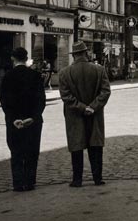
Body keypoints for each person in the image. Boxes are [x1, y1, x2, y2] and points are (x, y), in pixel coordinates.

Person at [58, 41, 111, 187]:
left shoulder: (64, 73)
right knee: (95, 147)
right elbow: (105, 91)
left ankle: (77, 179)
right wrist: (93, 107)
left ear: (74, 55)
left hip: (75, 116)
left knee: (77, 147)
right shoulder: (99, 70)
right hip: (95, 115)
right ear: (86, 53)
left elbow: (66, 96)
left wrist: (81, 107)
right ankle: (97, 178)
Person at [0, 47, 46, 192]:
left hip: (14, 122)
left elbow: (4, 100)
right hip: (33, 121)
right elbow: (41, 100)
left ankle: (18, 183)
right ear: (26, 59)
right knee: (32, 151)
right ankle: (30, 182)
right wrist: (33, 117)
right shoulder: (35, 76)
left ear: (13, 59)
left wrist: (14, 119)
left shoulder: (8, 76)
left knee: (16, 152)